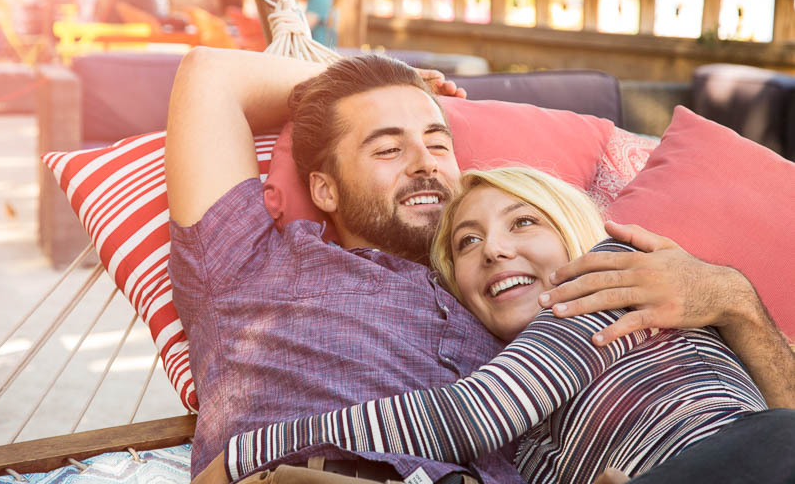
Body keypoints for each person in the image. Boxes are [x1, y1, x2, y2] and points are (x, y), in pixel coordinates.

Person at [166, 47, 795, 484]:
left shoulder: (514, 307)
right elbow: (209, 74)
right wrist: (384, 74)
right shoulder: (253, 263)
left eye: (439, 141)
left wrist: (733, 296)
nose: (425, 161)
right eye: (388, 147)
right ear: (324, 189)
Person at [211, 166, 788, 484]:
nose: (494, 250)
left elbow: (466, 416)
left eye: (524, 222)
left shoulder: (605, 286)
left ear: (571, 232)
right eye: (468, 241)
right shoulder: (523, 426)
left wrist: (249, 453)